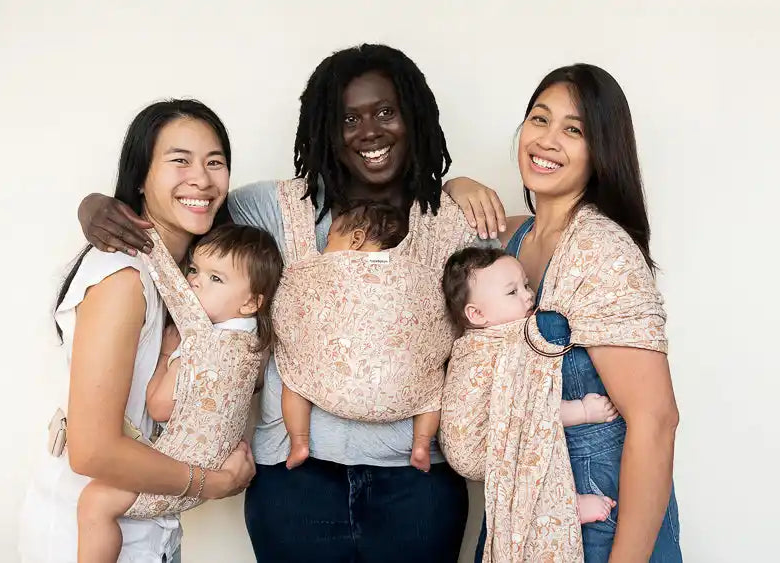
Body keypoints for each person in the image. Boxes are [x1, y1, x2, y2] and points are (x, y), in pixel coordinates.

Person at [71, 45, 510, 561]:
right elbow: (182, 212)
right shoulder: (269, 210)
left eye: (386, 112)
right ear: (326, 128)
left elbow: (499, 316)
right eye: (349, 118)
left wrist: (455, 185)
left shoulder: (455, 218)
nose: (370, 131)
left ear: (414, 119)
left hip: (418, 485)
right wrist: (94, 205)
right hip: (295, 483)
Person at [444, 63, 682, 562]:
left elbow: (655, 420)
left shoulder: (598, 249)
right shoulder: (512, 239)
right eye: (539, 119)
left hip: (600, 520)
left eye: (573, 130)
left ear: (601, 151)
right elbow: (431, 215)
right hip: (522, 513)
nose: (547, 140)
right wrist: (457, 184)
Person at [21, 99, 255, 563]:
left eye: (215, 162)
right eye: (179, 161)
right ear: (141, 178)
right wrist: (216, 483)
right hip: (83, 533)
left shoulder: (195, 275)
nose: (202, 179)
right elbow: (92, 452)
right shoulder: (123, 277)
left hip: (150, 531)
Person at [77, 223, 281, 563]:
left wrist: (165, 356)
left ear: (250, 302)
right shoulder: (251, 344)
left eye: (216, 278)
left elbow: (159, 407)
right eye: (194, 270)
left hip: (192, 471)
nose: (196, 281)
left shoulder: (205, 345)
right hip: (219, 461)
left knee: (94, 503)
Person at [440, 246, 620, 528]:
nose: (527, 295)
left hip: (460, 446)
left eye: (526, 284)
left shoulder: (472, 342)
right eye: (512, 292)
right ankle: (565, 504)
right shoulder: (507, 343)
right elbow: (532, 406)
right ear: (476, 314)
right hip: (479, 446)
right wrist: (583, 410)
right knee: (534, 441)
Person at [276, 199, 414, 470]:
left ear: (356, 240)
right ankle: (421, 443)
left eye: (328, 241)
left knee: (293, 377)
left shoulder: (342, 268)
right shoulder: (406, 266)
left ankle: (299, 442)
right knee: (429, 390)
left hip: (335, 359)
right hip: (388, 371)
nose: (323, 250)